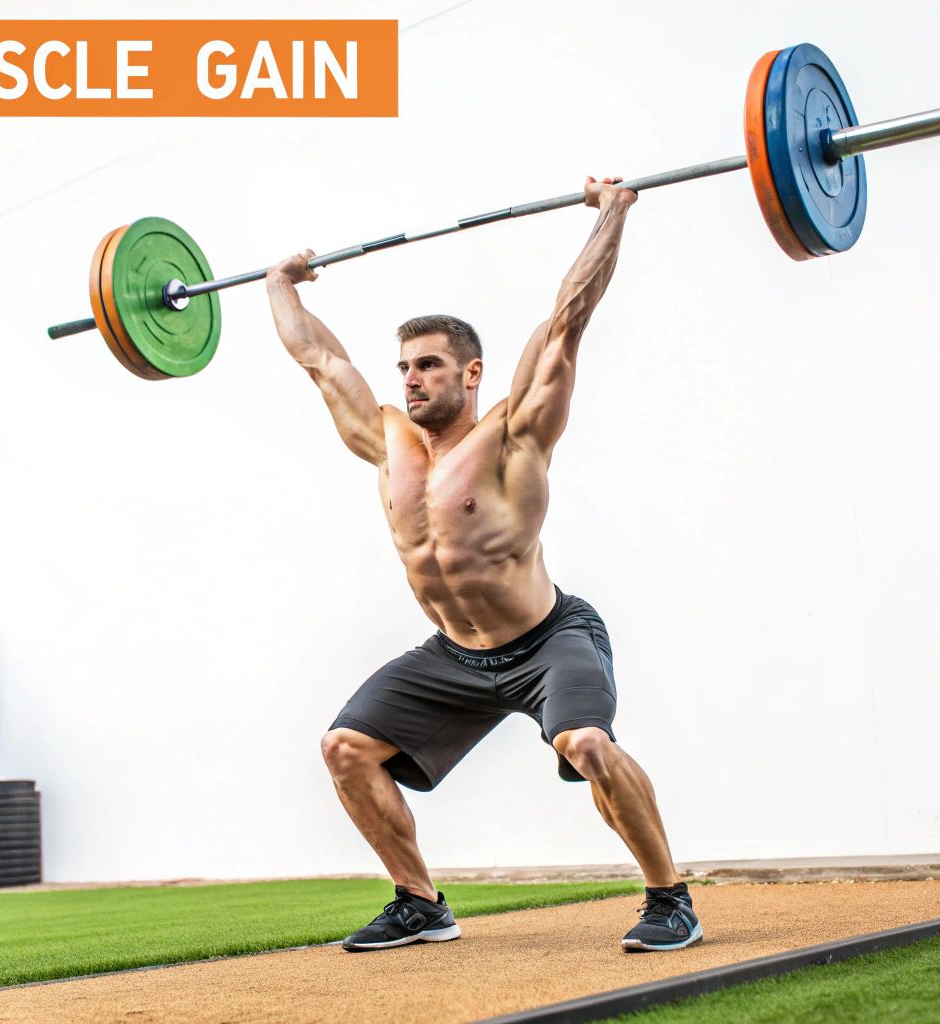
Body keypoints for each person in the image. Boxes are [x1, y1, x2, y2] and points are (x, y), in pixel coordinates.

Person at [265, 176, 698, 954]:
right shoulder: (387, 442)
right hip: (455, 656)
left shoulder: (513, 436)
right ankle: (420, 903)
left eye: (429, 365)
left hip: (547, 638)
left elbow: (568, 319)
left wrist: (612, 215)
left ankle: (670, 897)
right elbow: (318, 359)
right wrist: (278, 284)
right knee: (345, 748)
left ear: (471, 374)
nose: (410, 378)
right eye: (405, 366)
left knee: (589, 745)